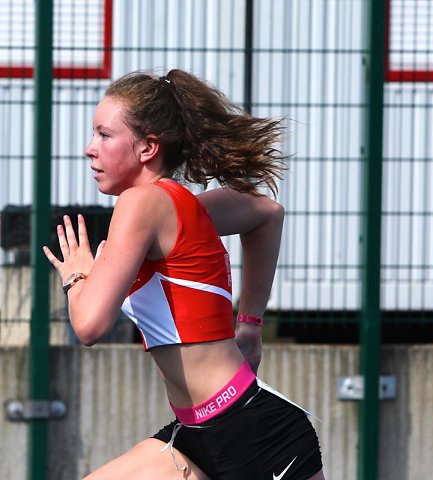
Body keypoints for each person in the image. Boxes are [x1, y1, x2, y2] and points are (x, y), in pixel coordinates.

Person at [43, 69, 324, 480]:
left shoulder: (141, 204)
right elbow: (267, 214)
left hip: (252, 433)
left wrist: (77, 278)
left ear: (147, 148)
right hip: (196, 434)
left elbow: (89, 325)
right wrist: (249, 326)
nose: (90, 149)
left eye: (104, 135)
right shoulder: (181, 207)